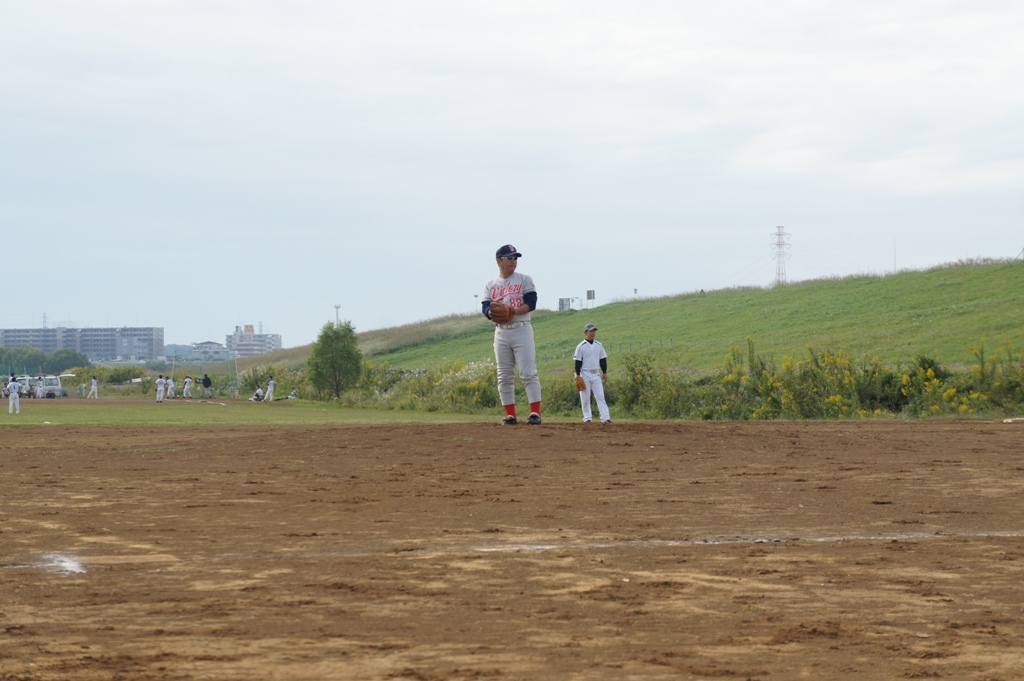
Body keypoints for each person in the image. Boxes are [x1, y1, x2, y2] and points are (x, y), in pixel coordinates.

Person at [482, 244, 542, 425]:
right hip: (501, 332)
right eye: (510, 258)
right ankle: (510, 414)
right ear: (499, 261)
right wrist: (491, 314)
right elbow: (485, 307)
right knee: (504, 374)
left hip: (521, 328)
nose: (514, 261)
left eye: (516, 258)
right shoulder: (490, 284)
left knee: (528, 372)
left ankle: (535, 413)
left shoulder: (524, 279)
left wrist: (513, 311)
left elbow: (531, 303)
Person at [574, 323, 612, 423]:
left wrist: (604, 372)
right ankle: (587, 418)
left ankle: (605, 418)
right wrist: (577, 375)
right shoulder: (581, 346)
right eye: (590, 331)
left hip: (596, 374)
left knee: (600, 396)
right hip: (585, 373)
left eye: (594, 331)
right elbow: (578, 362)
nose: (593, 333)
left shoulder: (599, 345)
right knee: (585, 398)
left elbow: (603, 359)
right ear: (585, 332)